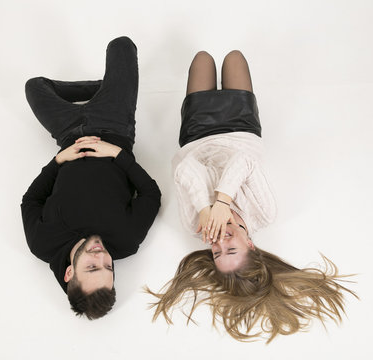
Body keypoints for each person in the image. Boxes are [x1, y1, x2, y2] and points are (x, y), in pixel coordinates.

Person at [147, 50, 356, 342]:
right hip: (240, 126)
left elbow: (184, 166)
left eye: (217, 253)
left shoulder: (195, 223)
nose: (220, 243)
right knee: (234, 58)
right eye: (232, 250)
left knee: (202, 59)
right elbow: (244, 160)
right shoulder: (264, 212)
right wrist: (222, 202)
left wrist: (206, 208)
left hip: (196, 134)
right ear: (252, 245)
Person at [21, 36, 161, 320]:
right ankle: (109, 91)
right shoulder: (127, 239)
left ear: (70, 272)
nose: (101, 257)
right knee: (121, 45)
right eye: (108, 268)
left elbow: (31, 200)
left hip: (67, 131)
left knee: (35, 86)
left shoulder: (42, 243)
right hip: (114, 125)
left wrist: (59, 159)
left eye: (92, 267)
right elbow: (151, 194)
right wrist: (117, 153)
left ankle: (103, 88)